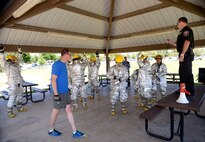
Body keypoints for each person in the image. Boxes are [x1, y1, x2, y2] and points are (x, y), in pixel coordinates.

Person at [48, 49, 86, 138]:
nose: (71, 56)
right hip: (59, 92)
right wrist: (56, 94)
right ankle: (51, 129)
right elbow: (53, 80)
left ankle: (74, 132)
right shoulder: (57, 64)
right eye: (70, 55)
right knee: (56, 111)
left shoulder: (65, 65)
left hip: (65, 91)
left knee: (69, 109)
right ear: (65, 55)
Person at [167, 17, 195, 96]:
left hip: (186, 54)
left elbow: (187, 42)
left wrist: (182, 54)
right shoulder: (181, 32)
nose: (177, 24)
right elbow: (179, 45)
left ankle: (190, 91)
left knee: (187, 72)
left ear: (182, 22)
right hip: (183, 54)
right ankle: (182, 89)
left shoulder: (187, 30)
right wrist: (171, 42)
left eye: (178, 22)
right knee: (182, 73)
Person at [0, 45, 27, 118]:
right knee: (12, 97)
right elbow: (2, 61)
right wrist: (1, 52)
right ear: (9, 60)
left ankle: (19, 107)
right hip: (12, 84)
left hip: (19, 82)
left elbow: (19, 59)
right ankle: (9, 112)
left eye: (14, 59)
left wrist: (20, 52)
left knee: (20, 95)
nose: (14, 60)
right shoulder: (7, 66)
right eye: (12, 59)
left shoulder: (16, 64)